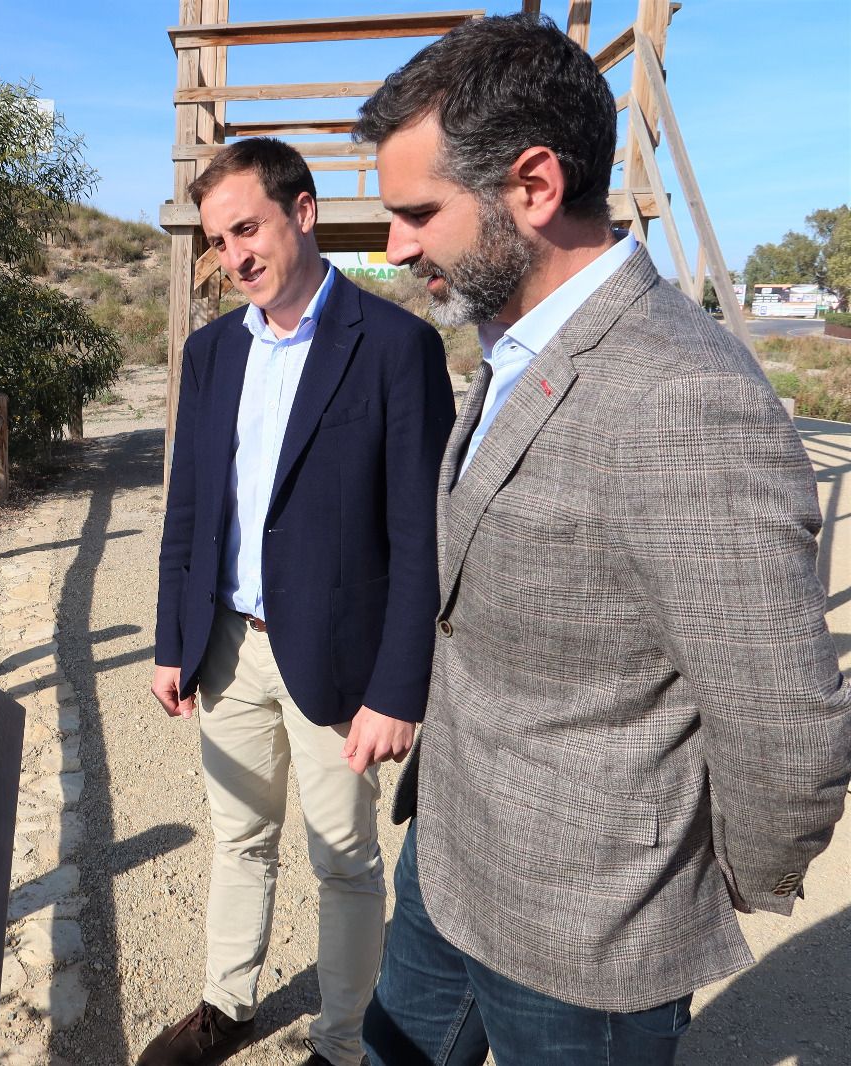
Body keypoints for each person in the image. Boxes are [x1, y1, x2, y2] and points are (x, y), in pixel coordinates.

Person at [354, 15, 851, 1065]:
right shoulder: (513, 337)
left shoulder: (682, 397)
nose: (394, 245)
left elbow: (784, 729)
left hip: (590, 935)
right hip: (446, 864)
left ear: (533, 186)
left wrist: (681, 889)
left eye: (415, 212)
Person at [144, 137, 453, 1066]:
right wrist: (173, 637)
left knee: (345, 862)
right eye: (218, 239)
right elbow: (191, 504)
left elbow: (421, 536)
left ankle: (342, 1038)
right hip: (226, 648)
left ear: (303, 213)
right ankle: (226, 1006)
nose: (235, 255)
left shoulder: (398, 347)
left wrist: (400, 687)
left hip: (337, 655)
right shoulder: (209, 354)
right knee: (238, 836)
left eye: (248, 228)